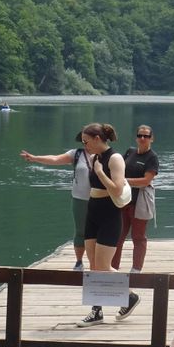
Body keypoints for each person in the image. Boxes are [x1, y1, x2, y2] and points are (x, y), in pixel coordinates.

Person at [78, 123, 139, 325]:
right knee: (93, 267)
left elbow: (117, 190)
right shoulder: (97, 157)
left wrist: (100, 172)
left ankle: (130, 296)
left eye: (86, 141)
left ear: (97, 139)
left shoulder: (115, 158)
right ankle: (96, 311)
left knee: (104, 266)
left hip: (110, 214)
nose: (85, 145)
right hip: (93, 211)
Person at [19, 133, 93, 270]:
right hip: (80, 199)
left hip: (101, 199)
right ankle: (79, 262)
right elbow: (55, 159)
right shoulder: (76, 154)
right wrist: (35, 158)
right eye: (83, 140)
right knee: (80, 231)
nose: (84, 143)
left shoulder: (106, 155)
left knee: (97, 232)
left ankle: (97, 263)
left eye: (86, 140)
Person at [113, 125, 159, 273]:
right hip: (123, 201)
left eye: (146, 136)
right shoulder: (130, 152)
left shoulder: (152, 157)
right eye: (140, 135)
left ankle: (136, 269)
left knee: (138, 237)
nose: (142, 138)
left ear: (152, 138)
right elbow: (118, 169)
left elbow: (146, 181)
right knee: (117, 235)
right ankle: (112, 268)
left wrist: (124, 181)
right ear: (136, 137)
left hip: (139, 202)